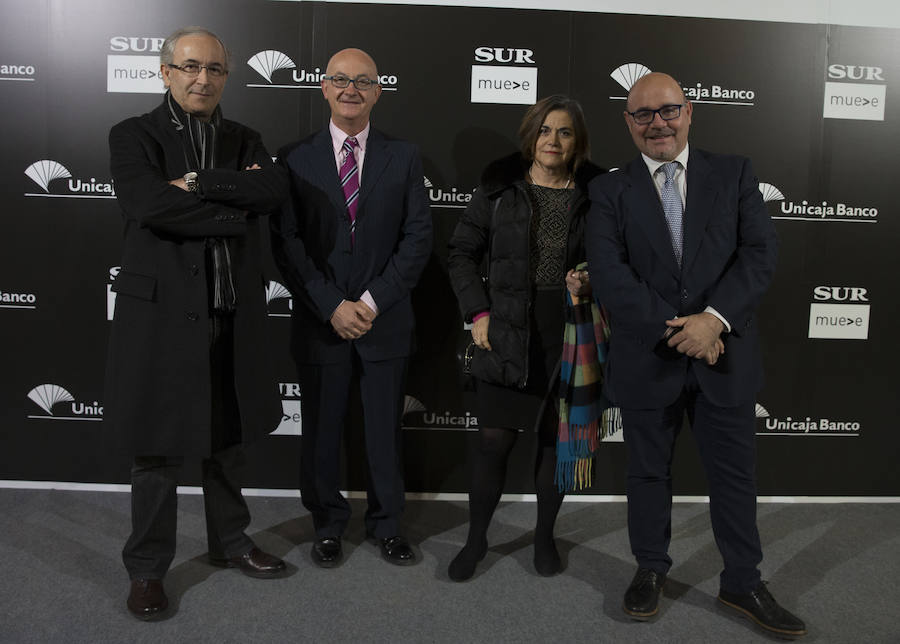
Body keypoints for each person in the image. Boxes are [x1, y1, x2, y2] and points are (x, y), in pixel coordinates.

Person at [585, 72, 806, 638]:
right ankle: (650, 569)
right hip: (647, 358)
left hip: (723, 354)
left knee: (734, 479)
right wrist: (680, 330)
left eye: (668, 110)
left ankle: (742, 580)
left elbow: (759, 254)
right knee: (647, 475)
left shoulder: (734, 174)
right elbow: (610, 275)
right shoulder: (610, 191)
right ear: (628, 122)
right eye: (643, 114)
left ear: (689, 113)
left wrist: (713, 322)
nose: (657, 122)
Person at [105, 26, 288, 620]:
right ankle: (147, 570)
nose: (202, 78)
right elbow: (149, 204)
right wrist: (235, 213)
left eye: (213, 69)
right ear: (165, 72)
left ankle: (230, 542)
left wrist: (205, 186)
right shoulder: (133, 135)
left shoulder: (245, 138)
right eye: (189, 67)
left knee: (227, 442)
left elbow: (272, 189)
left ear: (226, 77)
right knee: (156, 453)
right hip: (159, 318)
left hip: (230, 313)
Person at [271, 48, 432, 569]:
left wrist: (366, 302)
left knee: (384, 431)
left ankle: (387, 525)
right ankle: (327, 525)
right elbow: (287, 242)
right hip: (322, 323)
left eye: (363, 81)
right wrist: (331, 305)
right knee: (320, 431)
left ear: (378, 91)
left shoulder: (404, 156)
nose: (351, 89)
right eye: (340, 79)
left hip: (383, 321)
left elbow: (417, 238)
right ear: (324, 87)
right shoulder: (293, 157)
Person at [446, 95, 605, 581]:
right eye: (544, 130)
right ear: (530, 135)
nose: (552, 141)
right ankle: (476, 540)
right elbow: (461, 255)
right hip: (506, 328)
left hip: (570, 332)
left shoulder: (600, 194)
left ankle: (543, 538)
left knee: (556, 445)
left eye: (564, 132)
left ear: (577, 142)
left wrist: (590, 277)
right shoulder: (498, 190)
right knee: (493, 442)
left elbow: (618, 258)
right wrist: (478, 310)